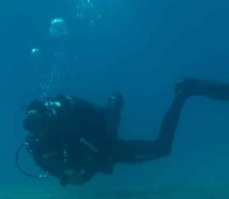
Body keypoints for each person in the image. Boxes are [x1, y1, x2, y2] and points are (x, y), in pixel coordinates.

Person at [22, 78, 229, 186]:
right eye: (31, 126)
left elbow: (100, 155)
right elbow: (53, 167)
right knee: (153, 149)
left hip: (104, 137)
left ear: (47, 116)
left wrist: (83, 177)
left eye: (38, 123)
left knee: (162, 148)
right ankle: (187, 90)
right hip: (99, 146)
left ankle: (186, 91)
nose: (37, 131)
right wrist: (64, 177)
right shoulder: (38, 144)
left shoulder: (66, 120)